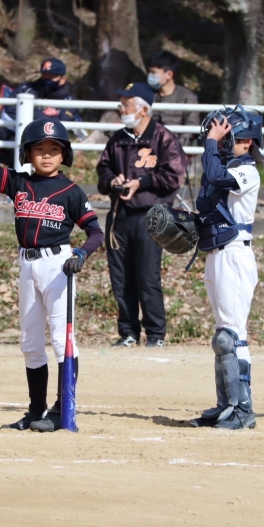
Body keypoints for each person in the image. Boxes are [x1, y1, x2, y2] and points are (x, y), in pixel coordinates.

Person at [0, 104, 104, 433]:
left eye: (54, 149)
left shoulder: (71, 192)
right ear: (28, 154)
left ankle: (62, 410)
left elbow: (95, 232)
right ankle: (36, 411)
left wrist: (82, 254)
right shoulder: (19, 183)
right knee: (30, 342)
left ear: (64, 155)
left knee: (61, 340)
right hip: (27, 265)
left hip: (59, 266)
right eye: (39, 149)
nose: (46, 155)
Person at [187, 105, 263, 430]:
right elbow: (208, 204)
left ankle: (242, 409)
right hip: (217, 254)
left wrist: (209, 144)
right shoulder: (222, 167)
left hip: (235, 254)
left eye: (226, 138)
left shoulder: (248, 170)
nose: (220, 143)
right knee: (222, 334)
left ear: (247, 142)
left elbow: (219, 177)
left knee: (232, 335)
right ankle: (225, 406)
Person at [96, 83, 187, 347]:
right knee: (121, 278)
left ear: (144, 109)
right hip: (119, 217)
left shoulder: (163, 138)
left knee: (147, 277)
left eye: (127, 105)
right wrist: (112, 180)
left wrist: (141, 183)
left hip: (151, 216)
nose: (122, 109)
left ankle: (156, 334)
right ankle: (128, 332)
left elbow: (174, 175)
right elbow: (103, 169)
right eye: (121, 104)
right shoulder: (118, 139)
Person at [147, 50, 200, 147]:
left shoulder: (187, 96)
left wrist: (176, 148)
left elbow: (191, 127)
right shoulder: (148, 94)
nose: (150, 76)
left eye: (153, 73)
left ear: (169, 75)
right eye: (149, 72)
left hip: (178, 148)